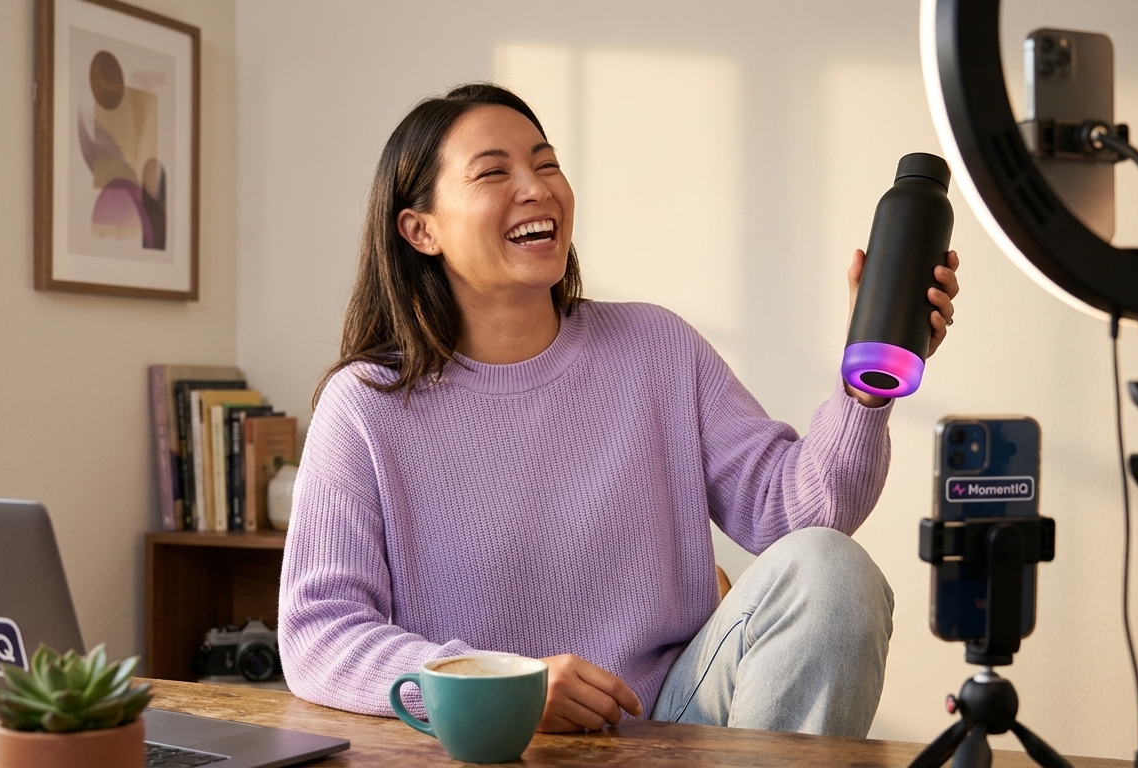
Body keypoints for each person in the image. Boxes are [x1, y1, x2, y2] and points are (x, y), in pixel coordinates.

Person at [278, 83, 960, 738]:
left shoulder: (656, 348)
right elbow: (319, 633)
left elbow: (802, 516)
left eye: (547, 164)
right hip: (488, 742)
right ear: (420, 229)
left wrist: (867, 388)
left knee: (832, 571)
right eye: (494, 172)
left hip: (670, 725)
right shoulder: (366, 405)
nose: (536, 188)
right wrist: (500, 686)